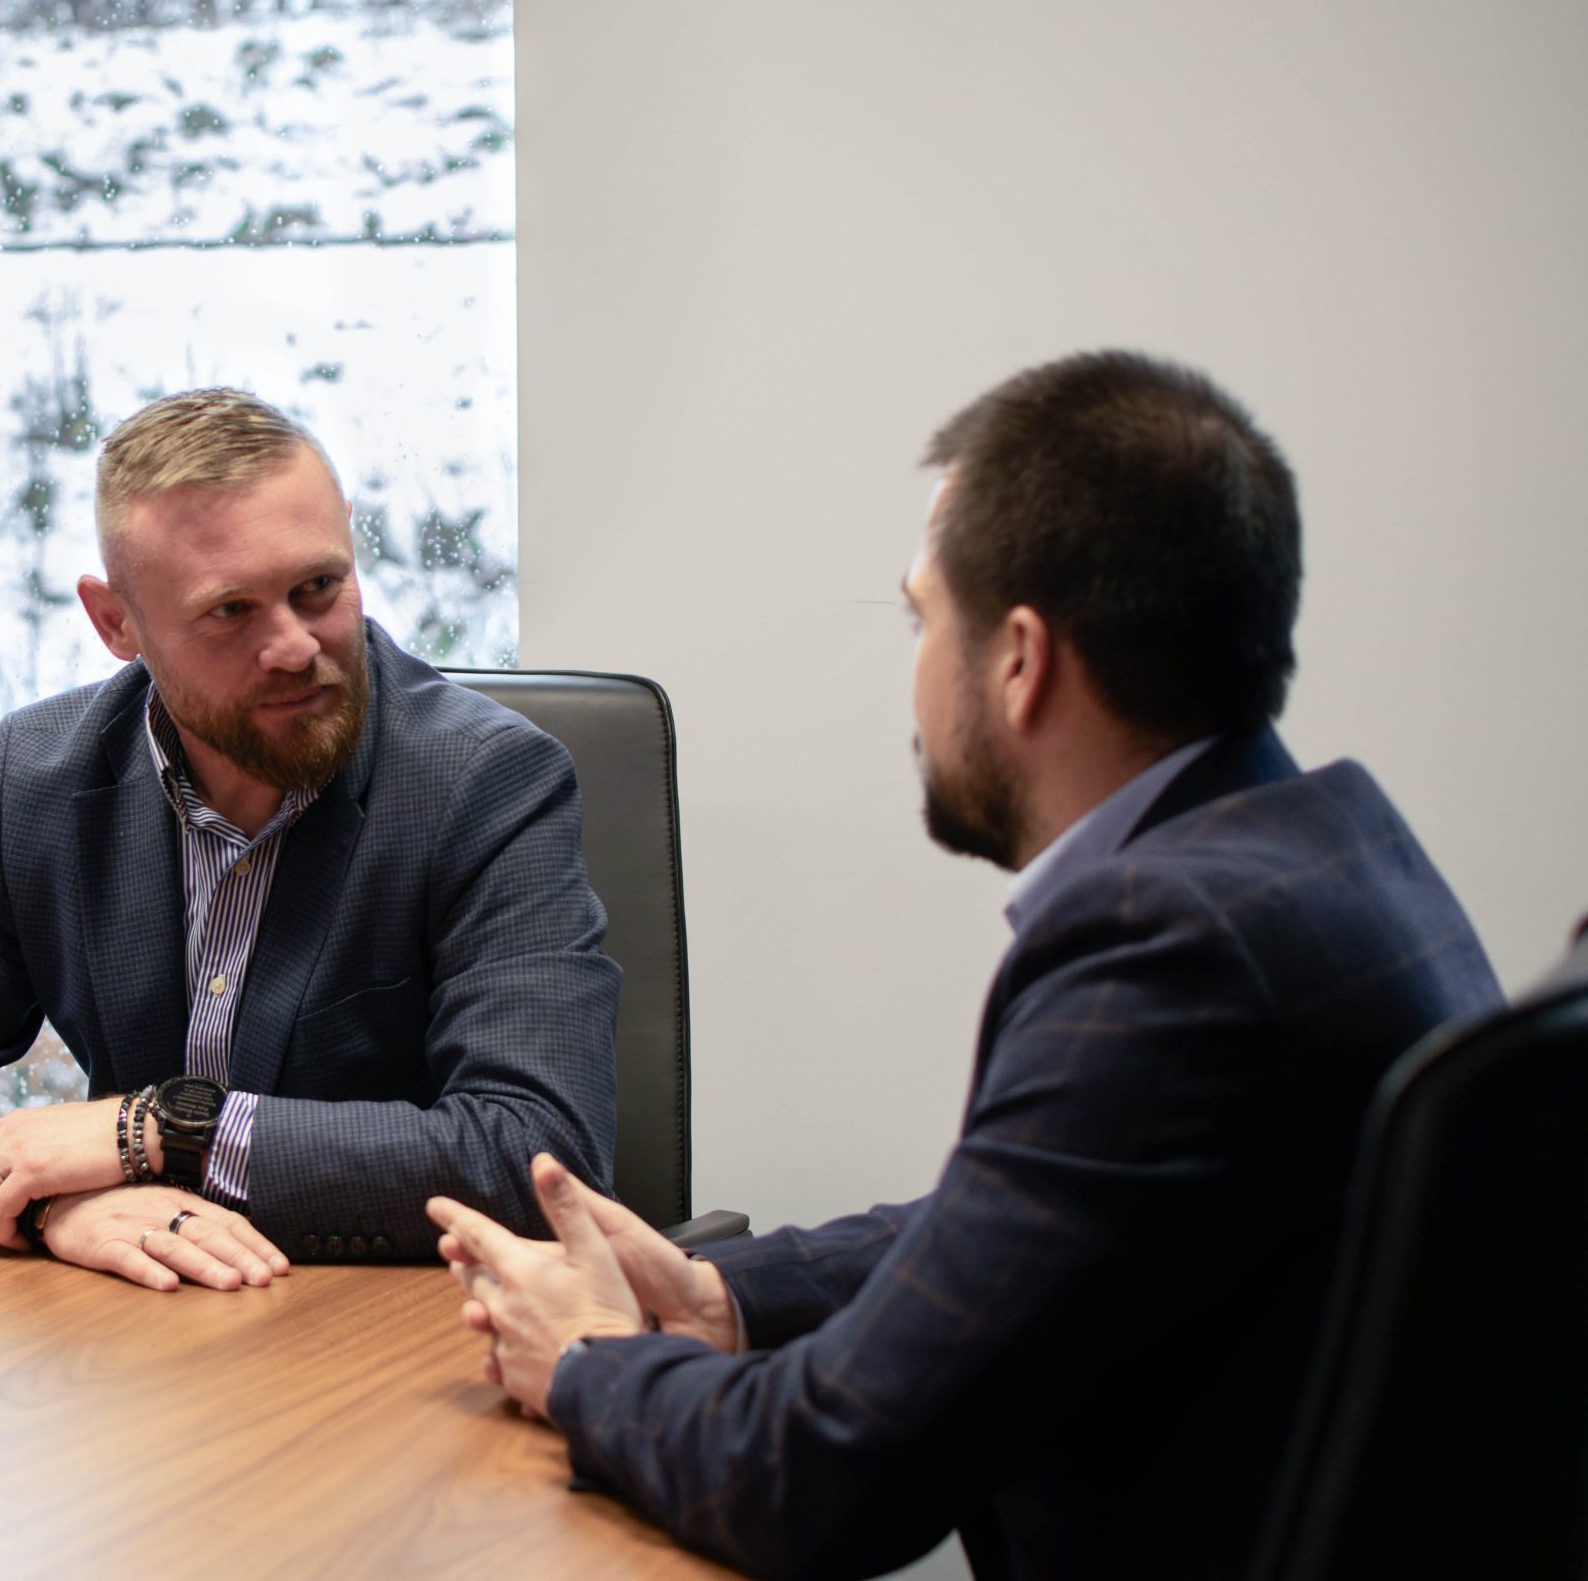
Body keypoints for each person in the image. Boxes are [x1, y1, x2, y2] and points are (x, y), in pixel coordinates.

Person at [428, 351, 1501, 1581]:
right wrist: (727, 1298)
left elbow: (816, 1479)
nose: (916, 671)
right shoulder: (1329, 850)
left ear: (1019, 660)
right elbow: (1026, 1226)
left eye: (922, 617)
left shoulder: (1168, 950)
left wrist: (586, 1363)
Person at [0, 388, 619, 1292]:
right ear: (117, 623)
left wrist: (164, 1130)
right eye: (231, 611)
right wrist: (45, 1202)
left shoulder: (484, 782)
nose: (294, 646)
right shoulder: (41, 780)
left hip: (390, 1327)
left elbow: (538, 1157)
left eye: (318, 587)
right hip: (140, 1334)